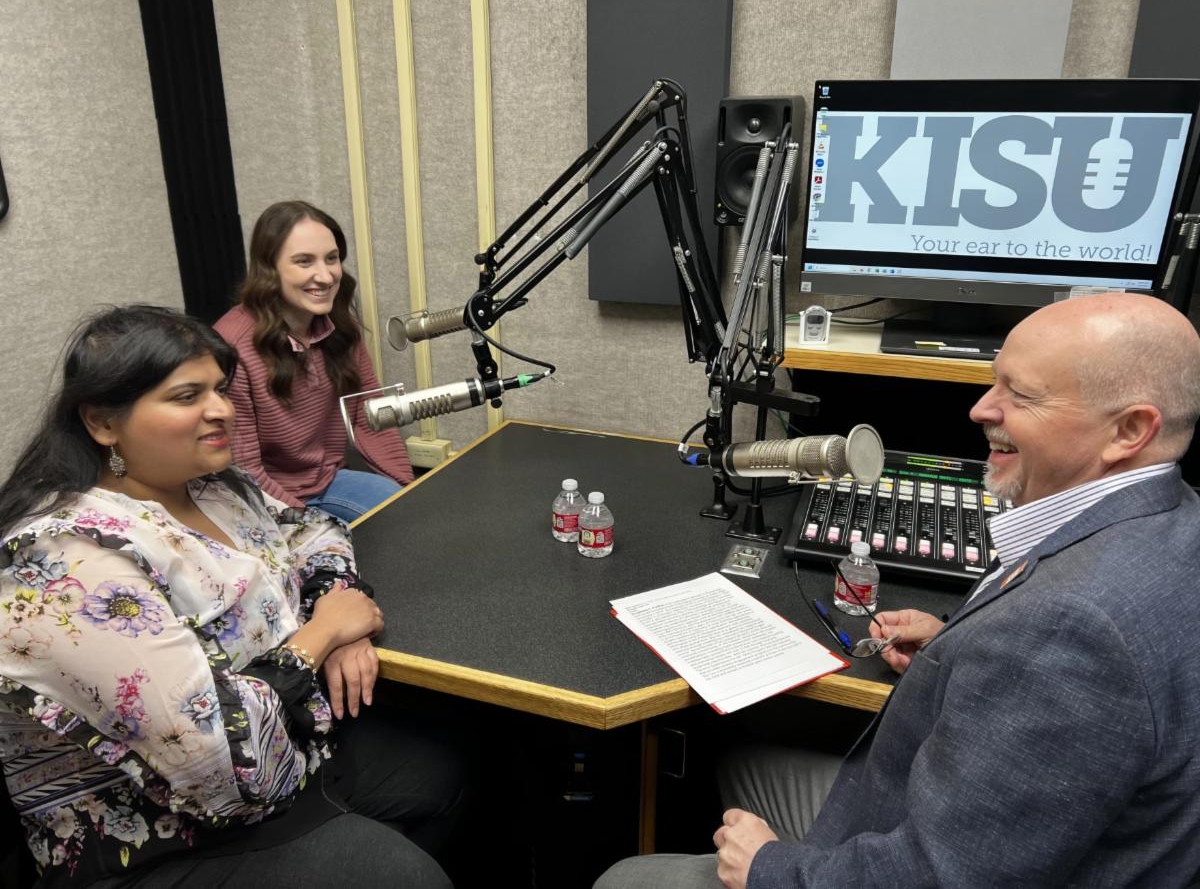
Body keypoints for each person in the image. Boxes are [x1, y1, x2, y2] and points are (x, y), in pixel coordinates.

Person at [596, 292, 1200, 888]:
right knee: (740, 757)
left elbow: (943, 877)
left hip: (914, 855)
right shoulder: (1169, 522)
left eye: (1021, 395)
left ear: (1129, 430)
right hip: (964, 811)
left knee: (625, 879)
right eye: (996, 383)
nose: (981, 410)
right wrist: (957, 649)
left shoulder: (1071, 630)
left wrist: (770, 869)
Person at [0, 306, 461, 887]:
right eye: (187, 396)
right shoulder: (63, 563)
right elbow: (216, 761)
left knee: (451, 771)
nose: (222, 409)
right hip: (159, 836)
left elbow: (315, 531)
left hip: (290, 750)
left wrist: (335, 600)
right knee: (402, 875)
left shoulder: (217, 487)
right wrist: (321, 637)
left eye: (220, 389)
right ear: (102, 423)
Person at [215, 200, 414, 521]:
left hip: (328, 481)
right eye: (304, 261)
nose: (325, 276)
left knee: (412, 517)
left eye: (332, 259)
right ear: (269, 269)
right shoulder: (232, 346)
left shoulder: (339, 326)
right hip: (259, 498)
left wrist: (409, 489)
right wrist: (311, 530)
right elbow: (244, 471)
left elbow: (374, 417)